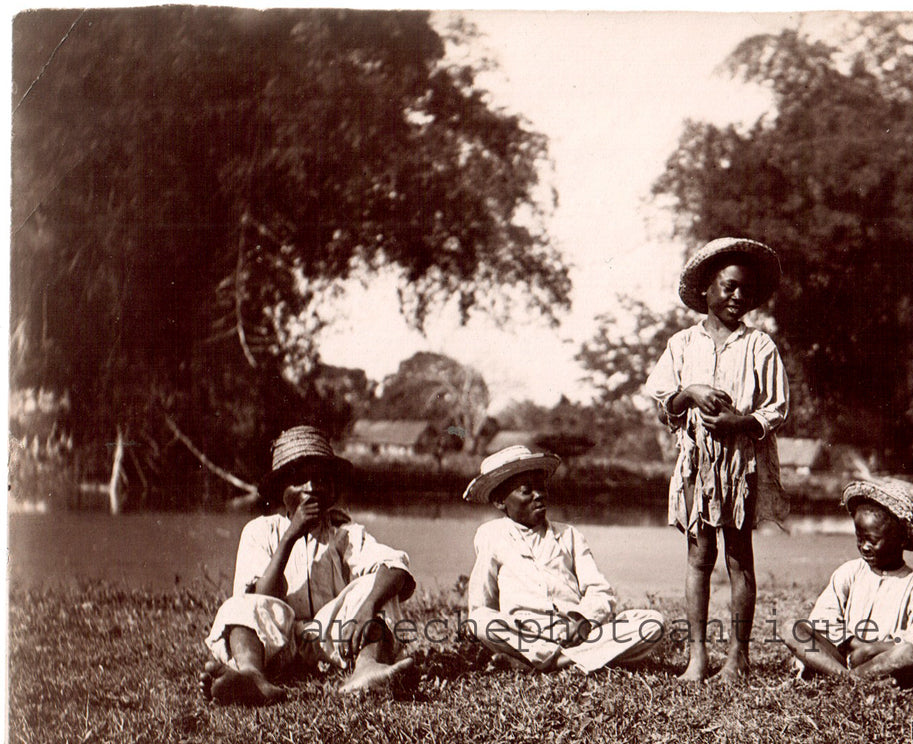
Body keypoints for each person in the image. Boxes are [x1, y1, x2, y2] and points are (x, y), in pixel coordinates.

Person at [643, 237, 789, 683]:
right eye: (728, 287)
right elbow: (664, 398)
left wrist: (739, 422)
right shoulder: (683, 344)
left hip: (741, 463)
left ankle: (738, 656)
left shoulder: (759, 346)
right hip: (696, 465)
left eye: (745, 291)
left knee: (739, 557)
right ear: (707, 289)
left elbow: (776, 408)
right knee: (699, 556)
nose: (737, 297)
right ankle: (698, 656)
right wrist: (690, 392)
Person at [203, 425, 418, 704]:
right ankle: (252, 675)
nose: (312, 488)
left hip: (335, 640)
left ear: (332, 488)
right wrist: (291, 535)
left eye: (320, 480)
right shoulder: (260, 531)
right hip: (280, 644)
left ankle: (367, 670)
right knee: (238, 604)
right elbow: (260, 599)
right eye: (300, 481)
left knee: (377, 585)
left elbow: (395, 566)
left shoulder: (345, 533)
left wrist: (367, 607)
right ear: (282, 490)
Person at [462, 445, 664, 673]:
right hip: (527, 637)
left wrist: (582, 620)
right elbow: (482, 602)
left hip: (575, 634)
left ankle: (554, 662)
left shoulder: (569, 535)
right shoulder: (491, 535)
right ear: (500, 501)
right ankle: (573, 661)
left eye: (541, 488)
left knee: (652, 623)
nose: (539, 495)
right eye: (526, 490)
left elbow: (600, 591)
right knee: (481, 621)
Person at [782, 479, 913, 681]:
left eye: (873, 541)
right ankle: (849, 679)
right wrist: (853, 643)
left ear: (901, 539)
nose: (865, 546)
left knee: (906, 653)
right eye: (860, 538)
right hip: (842, 655)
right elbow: (823, 618)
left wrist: (873, 648)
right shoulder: (850, 572)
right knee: (792, 628)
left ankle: (845, 678)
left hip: (882, 659)